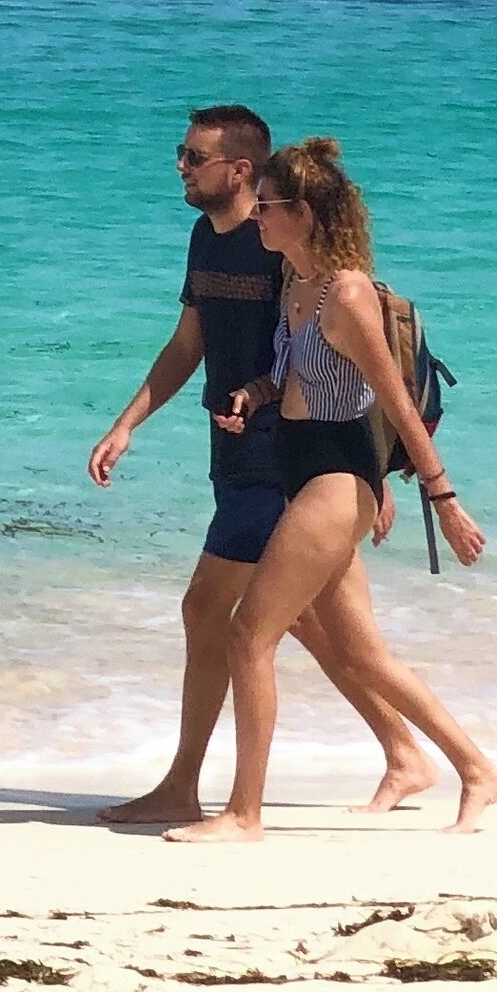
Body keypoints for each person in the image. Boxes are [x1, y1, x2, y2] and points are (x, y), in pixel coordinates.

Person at [86, 105, 430, 825]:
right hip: (233, 448)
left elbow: (353, 352)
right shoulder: (203, 241)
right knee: (309, 624)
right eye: (180, 153)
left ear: (239, 170)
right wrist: (127, 424)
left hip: (285, 456)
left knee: (213, 610)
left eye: (193, 157)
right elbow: (189, 344)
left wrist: (374, 472)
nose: (180, 166)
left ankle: (198, 791)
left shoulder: (276, 237)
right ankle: (413, 754)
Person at [169, 136, 497, 840]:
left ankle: (244, 814)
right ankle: (476, 771)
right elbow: (297, 377)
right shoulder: (297, 284)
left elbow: (395, 402)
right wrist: (256, 393)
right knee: (360, 653)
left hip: (336, 480)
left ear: (308, 212)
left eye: (269, 207)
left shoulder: (349, 295)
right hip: (298, 471)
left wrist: (443, 501)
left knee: (248, 636)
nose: (257, 217)